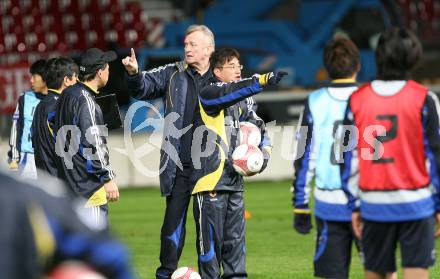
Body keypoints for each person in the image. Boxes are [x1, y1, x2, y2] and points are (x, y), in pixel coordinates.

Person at [341, 27, 440, 279]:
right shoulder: (424, 98)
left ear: (379, 57)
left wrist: (354, 205)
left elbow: (347, 157)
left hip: (374, 204)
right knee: (416, 270)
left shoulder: (357, 99)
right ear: (413, 57)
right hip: (416, 203)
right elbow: (435, 157)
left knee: (376, 272)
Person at [122, 24, 215, 279]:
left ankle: (211, 275)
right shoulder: (173, 73)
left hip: (212, 168)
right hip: (179, 166)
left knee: (209, 228)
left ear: (208, 49)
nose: (187, 48)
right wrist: (134, 73)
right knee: (172, 227)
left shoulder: (221, 77)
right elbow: (143, 87)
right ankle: (165, 274)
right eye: (186, 44)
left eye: (193, 44)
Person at [192, 47, 284, 278]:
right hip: (210, 183)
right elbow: (231, 91)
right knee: (210, 253)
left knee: (235, 248)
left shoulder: (244, 101)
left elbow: (261, 130)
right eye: (231, 66)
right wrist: (260, 80)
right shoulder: (208, 93)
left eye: (239, 66)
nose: (237, 70)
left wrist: (261, 158)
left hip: (234, 182)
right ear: (217, 70)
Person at [291, 37, 362, 279]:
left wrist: (300, 204)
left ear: (326, 67)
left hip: (328, 204)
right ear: (358, 66)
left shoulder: (314, 101)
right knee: (380, 272)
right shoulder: (369, 97)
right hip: (369, 204)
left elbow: (302, 155)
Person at [0, 169, 135, 279]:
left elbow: (109, 255)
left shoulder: (37, 197)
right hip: (84, 194)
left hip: (86, 193)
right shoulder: (37, 196)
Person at [54, 48, 119, 228]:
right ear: (99, 72)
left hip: (69, 184)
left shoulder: (67, 94)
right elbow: (93, 143)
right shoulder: (86, 101)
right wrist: (108, 177)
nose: (109, 71)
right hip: (88, 186)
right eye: (107, 67)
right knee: (95, 247)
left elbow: (53, 123)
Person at [33, 56, 78, 178]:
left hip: (45, 178)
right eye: (75, 77)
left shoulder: (41, 105)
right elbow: (68, 148)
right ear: (67, 80)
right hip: (61, 180)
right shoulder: (60, 106)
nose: (77, 82)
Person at [8, 59, 47, 179]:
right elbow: (16, 128)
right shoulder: (25, 98)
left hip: (48, 158)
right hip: (27, 158)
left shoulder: (57, 99)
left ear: (45, 77)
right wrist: (14, 158)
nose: (31, 80)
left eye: (34, 76)